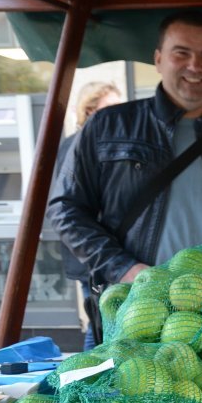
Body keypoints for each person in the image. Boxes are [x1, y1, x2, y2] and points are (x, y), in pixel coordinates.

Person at [48, 10, 202, 294]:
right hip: (134, 307)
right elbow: (66, 209)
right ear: (158, 59)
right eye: (181, 53)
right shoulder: (107, 126)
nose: (195, 66)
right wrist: (124, 269)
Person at [49, 81, 123, 350]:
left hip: (101, 257)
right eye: (112, 107)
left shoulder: (99, 144)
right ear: (91, 110)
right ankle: (88, 382)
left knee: (103, 322)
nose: (121, 114)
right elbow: (70, 211)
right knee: (100, 323)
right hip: (94, 259)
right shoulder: (79, 146)